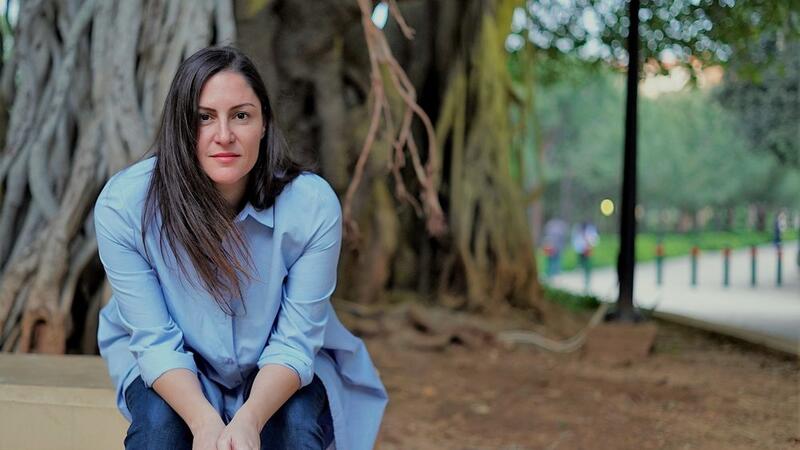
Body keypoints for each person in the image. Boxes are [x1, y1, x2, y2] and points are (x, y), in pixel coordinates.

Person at [95, 46, 387, 450]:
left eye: (241, 116)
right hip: (171, 359)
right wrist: (204, 423)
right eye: (204, 117)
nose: (224, 136)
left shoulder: (311, 206)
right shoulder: (126, 206)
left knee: (296, 428)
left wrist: (249, 420)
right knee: (160, 428)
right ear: (180, 125)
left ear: (263, 123)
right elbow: (155, 343)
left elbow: (294, 343)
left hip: (277, 361)